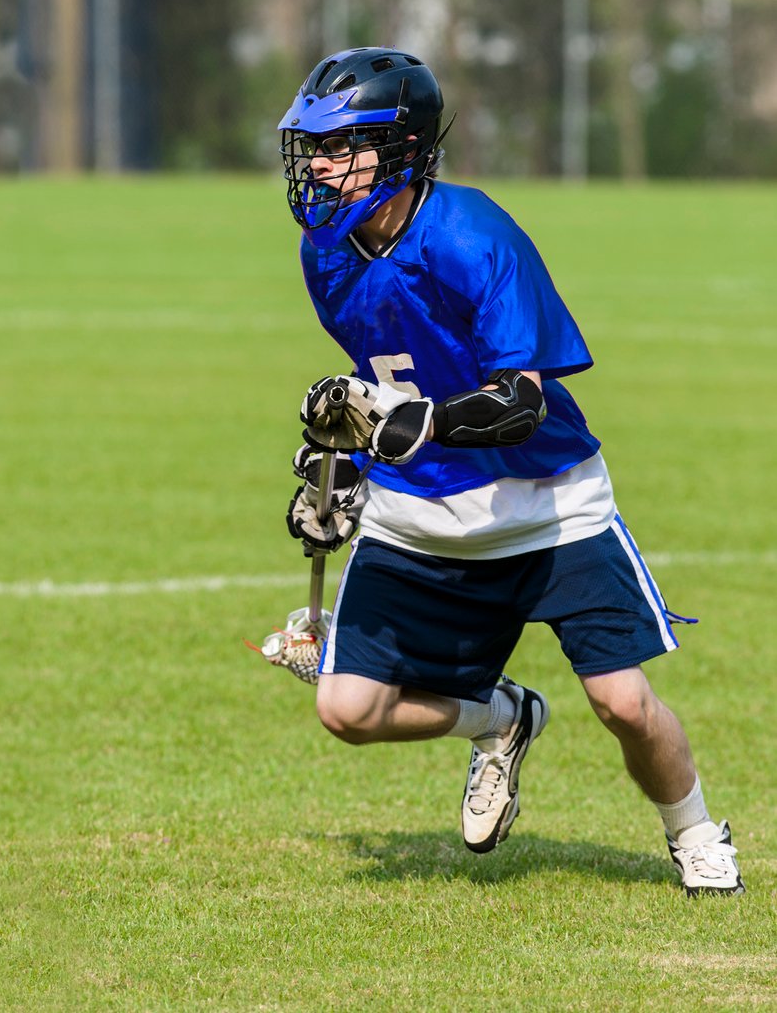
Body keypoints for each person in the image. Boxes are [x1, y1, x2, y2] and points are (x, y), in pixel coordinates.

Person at [274, 46, 743, 896]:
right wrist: (334, 474)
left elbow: (517, 403)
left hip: (546, 505)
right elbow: (380, 383)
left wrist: (425, 423)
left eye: (342, 149)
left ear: (402, 150)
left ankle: (698, 833)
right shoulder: (328, 255)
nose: (322, 170)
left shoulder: (471, 233)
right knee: (346, 710)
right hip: (423, 514)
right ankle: (504, 716)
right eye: (315, 151)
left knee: (625, 705)